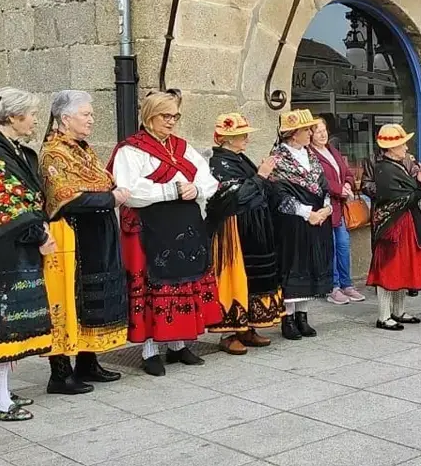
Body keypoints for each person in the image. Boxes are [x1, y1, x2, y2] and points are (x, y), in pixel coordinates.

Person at [107, 90, 222, 376]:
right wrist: (170, 189)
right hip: (149, 230)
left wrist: (197, 189)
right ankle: (149, 351)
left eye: (175, 116)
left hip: (183, 228)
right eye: (165, 116)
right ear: (149, 116)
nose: (171, 122)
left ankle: (178, 345)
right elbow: (129, 190)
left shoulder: (183, 147)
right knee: (150, 287)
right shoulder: (130, 150)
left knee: (182, 282)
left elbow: (208, 179)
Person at [40, 90, 128, 394]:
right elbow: (64, 198)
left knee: (91, 299)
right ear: (66, 119)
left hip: (96, 232)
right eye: (86, 114)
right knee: (69, 297)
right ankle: (60, 373)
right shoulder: (54, 152)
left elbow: (103, 179)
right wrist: (110, 197)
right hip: (71, 234)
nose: (91, 119)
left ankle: (88, 362)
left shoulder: (82, 149)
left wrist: (111, 193)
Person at [206, 113, 284, 354]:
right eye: (241, 135)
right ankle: (230, 332)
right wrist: (260, 175)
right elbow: (236, 197)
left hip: (253, 226)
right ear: (227, 139)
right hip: (234, 229)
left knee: (252, 277)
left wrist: (268, 178)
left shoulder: (239, 159)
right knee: (235, 277)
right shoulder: (220, 164)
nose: (246, 139)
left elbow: (256, 189)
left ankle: (247, 326)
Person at [0, 87, 54, 422]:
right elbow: (8, 206)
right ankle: (1, 400)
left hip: (20, 249)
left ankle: (3, 390)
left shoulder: (16, 149)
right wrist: (39, 234)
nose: (35, 120)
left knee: (11, 326)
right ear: (14, 117)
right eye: (31, 114)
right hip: (6, 252)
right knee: (3, 327)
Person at [268, 109, 334, 341]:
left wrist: (326, 207)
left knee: (310, 266)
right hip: (292, 223)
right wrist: (307, 213)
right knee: (292, 266)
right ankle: (287, 317)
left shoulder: (311, 155)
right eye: (307, 129)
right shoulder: (277, 159)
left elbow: (323, 184)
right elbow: (278, 195)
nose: (310, 133)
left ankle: (302, 316)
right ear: (293, 134)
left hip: (317, 219)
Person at [367, 124, 421, 330]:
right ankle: (383, 316)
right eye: (402, 144)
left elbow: (405, 191)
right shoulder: (385, 169)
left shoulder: (394, 165)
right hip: (393, 227)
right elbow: (401, 200)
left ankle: (398, 311)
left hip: (404, 224)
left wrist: (417, 180)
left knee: (402, 267)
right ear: (391, 148)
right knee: (389, 268)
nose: (406, 148)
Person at [309, 118, 364, 305]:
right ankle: (332, 287)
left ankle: (346, 283)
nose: (323, 134)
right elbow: (316, 180)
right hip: (323, 207)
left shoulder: (333, 150)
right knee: (329, 247)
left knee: (343, 244)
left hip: (339, 207)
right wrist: (338, 188)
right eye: (318, 132)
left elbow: (346, 172)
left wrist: (347, 183)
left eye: (324, 130)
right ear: (310, 135)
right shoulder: (310, 155)